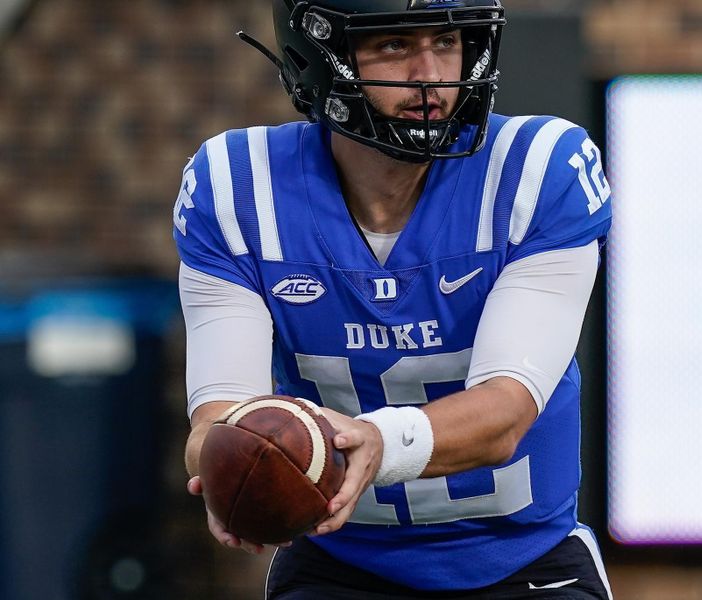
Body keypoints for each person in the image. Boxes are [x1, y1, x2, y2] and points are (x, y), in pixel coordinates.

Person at [173, 0, 613, 598]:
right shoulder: (238, 189)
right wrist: (230, 460)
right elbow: (218, 415)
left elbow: (505, 412)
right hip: (341, 566)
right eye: (395, 45)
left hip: (525, 564)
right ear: (320, 57)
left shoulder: (537, 171)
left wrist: (379, 442)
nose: (431, 74)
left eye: (448, 41)